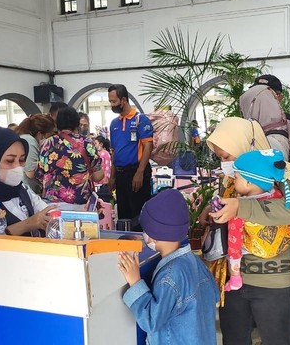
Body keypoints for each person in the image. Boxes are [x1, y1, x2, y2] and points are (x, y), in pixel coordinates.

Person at [201, 117, 290, 345]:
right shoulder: (232, 178)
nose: (224, 163)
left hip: (274, 282)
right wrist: (213, 210)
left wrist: (240, 207)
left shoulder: (282, 171)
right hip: (235, 280)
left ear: (246, 146)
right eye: (220, 158)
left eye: (226, 156)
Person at [118, 189, 219, 345]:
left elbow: (152, 321)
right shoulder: (195, 261)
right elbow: (214, 295)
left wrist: (135, 282)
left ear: (153, 235)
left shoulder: (169, 277)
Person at [224, 149, 290, 292]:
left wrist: (234, 256)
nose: (234, 180)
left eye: (236, 177)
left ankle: (235, 279)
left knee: (234, 249)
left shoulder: (239, 207)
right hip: (282, 242)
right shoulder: (279, 196)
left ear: (249, 182)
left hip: (254, 249)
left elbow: (234, 239)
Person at [36, 107, 103, 204]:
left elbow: (39, 175)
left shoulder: (47, 144)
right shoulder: (87, 143)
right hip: (79, 202)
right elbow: (98, 176)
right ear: (77, 124)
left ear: (57, 124)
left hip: (52, 203)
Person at [108, 84, 153, 227]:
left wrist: (139, 172)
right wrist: (112, 176)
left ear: (123, 100)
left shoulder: (141, 120)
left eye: (114, 101)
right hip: (121, 175)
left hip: (136, 172)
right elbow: (114, 152)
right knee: (124, 216)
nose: (111, 105)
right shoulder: (114, 124)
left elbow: (148, 146)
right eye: (110, 101)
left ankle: (142, 246)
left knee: (139, 215)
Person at [252, 74, 290, 152]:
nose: (260, 99)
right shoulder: (246, 124)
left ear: (280, 97)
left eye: (266, 95)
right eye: (255, 94)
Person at [15, 114, 56, 194]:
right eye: (49, 136)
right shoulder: (29, 141)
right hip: (25, 189)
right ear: (40, 134)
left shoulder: (25, 138)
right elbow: (30, 173)